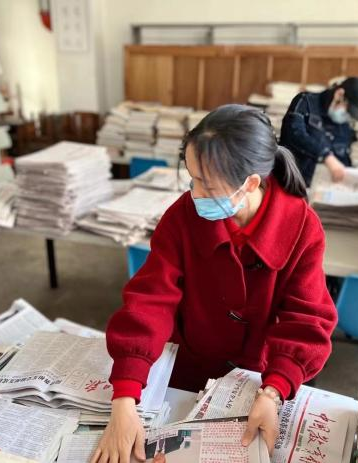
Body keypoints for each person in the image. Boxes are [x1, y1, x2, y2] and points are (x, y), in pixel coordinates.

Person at [92, 104, 337, 463]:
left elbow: (307, 319)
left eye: (206, 184)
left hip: (256, 377)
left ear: (250, 183)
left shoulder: (302, 227)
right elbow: (150, 300)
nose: (195, 193)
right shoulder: (183, 215)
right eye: (192, 179)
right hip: (186, 369)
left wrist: (273, 391)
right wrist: (125, 398)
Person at [279, 77, 358, 186]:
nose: (346, 115)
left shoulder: (344, 125)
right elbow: (295, 134)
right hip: (290, 182)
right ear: (339, 94)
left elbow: (343, 159)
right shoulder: (306, 102)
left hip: (322, 188)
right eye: (347, 109)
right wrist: (326, 156)